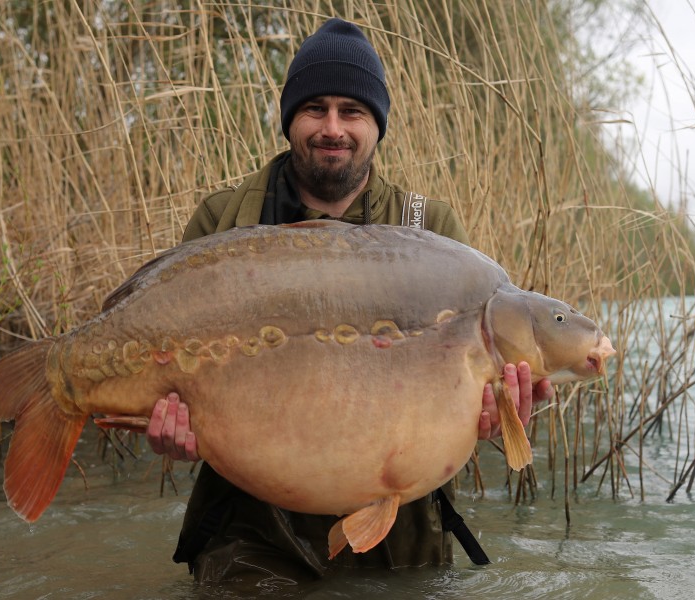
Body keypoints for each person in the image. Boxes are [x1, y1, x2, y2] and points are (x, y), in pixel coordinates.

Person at [145, 18, 553, 585]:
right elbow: (169, 375)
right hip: (249, 522)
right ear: (290, 118)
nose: (332, 128)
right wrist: (177, 433)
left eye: (351, 111)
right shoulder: (225, 223)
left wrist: (494, 413)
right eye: (315, 108)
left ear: (377, 124)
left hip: (403, 524)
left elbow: (473, 389)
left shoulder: (432, 231)